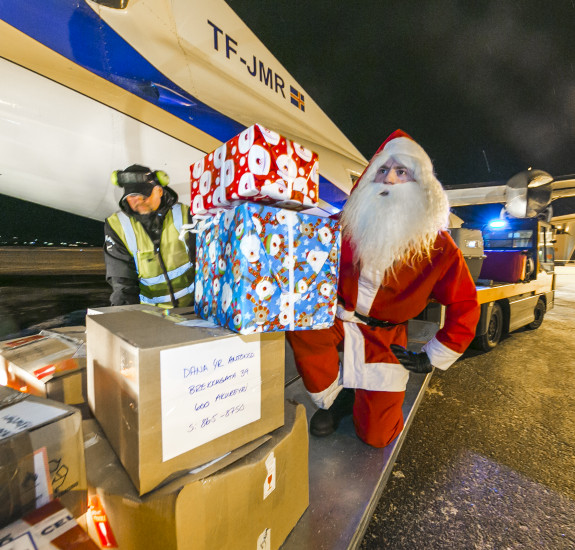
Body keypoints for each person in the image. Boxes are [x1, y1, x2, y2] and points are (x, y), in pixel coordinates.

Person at [287, 130, 480, 448]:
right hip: (337, 318)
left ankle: (361, 399)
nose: (389, 178)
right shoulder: (341, 225)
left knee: (378, 437)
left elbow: (465, 304)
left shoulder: (440, 249)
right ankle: (336, 399)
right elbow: (295, 250)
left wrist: (433, 355)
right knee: (300, 318)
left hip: (386, 336)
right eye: (383, 170)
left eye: (401, 171)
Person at [104, 164, 195, 308]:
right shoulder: (117, 226)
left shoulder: (185, 215)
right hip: (151, 315)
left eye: (144, 195)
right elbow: (122, 283)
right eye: (132, 196)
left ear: (159, 191)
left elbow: (204, 263)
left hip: (192, 308)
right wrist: (125, 318)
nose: (138, 200)